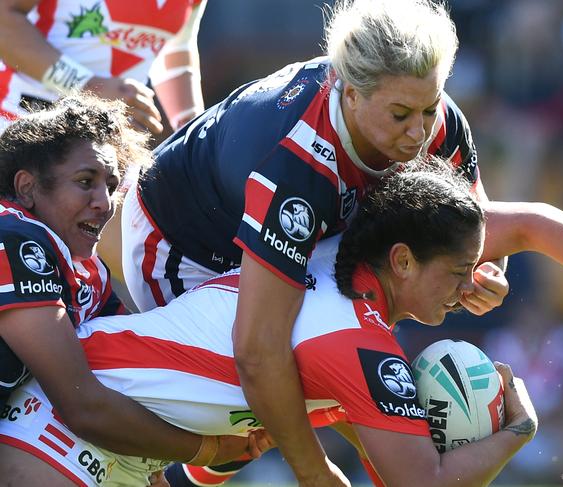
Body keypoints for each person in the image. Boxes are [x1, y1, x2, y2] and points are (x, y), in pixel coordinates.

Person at [121, 2, 509, 483]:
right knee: (259, 388)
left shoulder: (434, 116)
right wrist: (314, 471)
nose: (419, 132)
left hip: (300, 225)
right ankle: (181, 471)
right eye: (401, 114)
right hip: (186, 246)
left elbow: (487, 225)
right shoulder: (296, 163)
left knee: (339, 354)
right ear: (349, 93)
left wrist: (486, 269)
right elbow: (258, 350)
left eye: (429, 109)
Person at [0, 163, 539, 487]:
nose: (468, 287)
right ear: (401, 261)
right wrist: (520, 431)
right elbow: (421, 482)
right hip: (64, 433)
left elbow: (386, 463)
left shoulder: (331, 263)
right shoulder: (357, 344)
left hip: (117, 449)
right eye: (457, 272)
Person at [0, 94, 262, 470]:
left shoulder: (89, 271)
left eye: (111, 185)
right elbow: (84, 407)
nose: (104, 203)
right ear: (27, 187)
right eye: (85, 181)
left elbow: (130, 371)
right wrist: (207, 451)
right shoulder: (14, 237)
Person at [0, 0, 206, 134]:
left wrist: (193, 129)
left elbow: (175, 45)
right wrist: (87, 86)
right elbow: (4, 19)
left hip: (114, 138)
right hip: (20, 121)